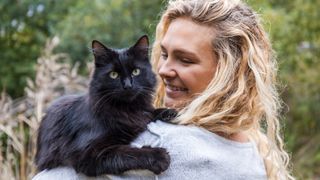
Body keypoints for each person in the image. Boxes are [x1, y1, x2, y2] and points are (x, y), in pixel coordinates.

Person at [33, 0, 294, 179]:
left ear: (230, 72)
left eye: (186, 59)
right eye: (165, 54)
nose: (163, 70)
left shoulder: (163, 143)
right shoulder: (253, 154)